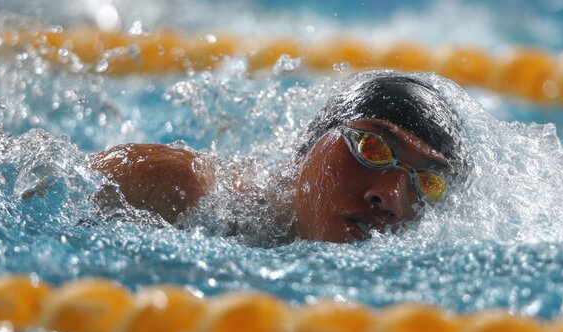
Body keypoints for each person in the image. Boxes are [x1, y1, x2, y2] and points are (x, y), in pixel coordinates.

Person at [89, 70, 467, 243]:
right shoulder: (182, 187)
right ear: (312, 145)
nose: (390, 199)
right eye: (373, 149)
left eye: (427, 182)